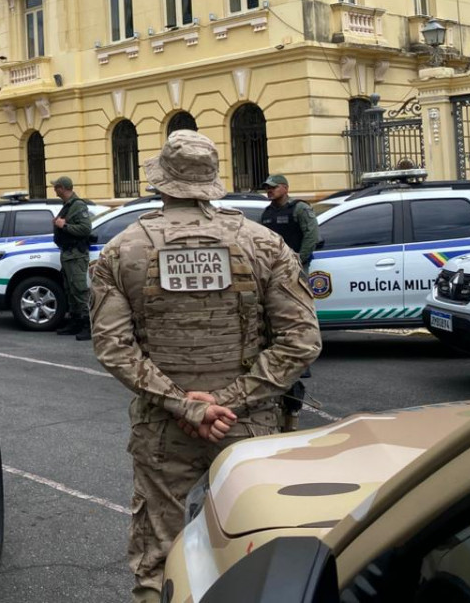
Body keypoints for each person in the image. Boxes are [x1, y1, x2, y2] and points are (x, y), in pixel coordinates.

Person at [91, 131, 321, 603]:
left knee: (157, 557)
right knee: (258, 551)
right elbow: (301, 341)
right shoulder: (265, 244)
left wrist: (186, 406)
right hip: (248, 425)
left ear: (162, 183)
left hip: (164, 427)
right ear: (212, 182)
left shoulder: (122, 250)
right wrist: (227, 402)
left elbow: (114, 347)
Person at [52, 175, 93, 340]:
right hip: (68, 254)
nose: (54, 190)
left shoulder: (78, 205)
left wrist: (64, 225)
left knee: (80, 290)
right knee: (70, 290)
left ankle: (87, 325)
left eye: (56, 187)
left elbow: (85, 229)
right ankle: (75, 322)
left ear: (62, 188)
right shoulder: (67, 206)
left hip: (76, 255)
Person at [260, 174, 319, 273]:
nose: (269, 190)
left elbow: (312, 236)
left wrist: (298, 259)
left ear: (286, 188)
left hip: (295, 267)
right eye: (267, 188)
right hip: (273, 267)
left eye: (274, 187)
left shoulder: (299, 208)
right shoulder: (267, 212)